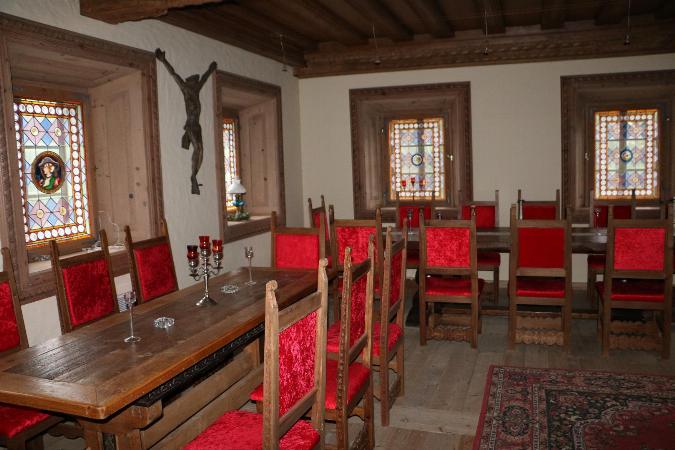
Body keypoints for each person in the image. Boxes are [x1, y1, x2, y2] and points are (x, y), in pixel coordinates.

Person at [155, 48, 217, 195]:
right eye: (195, 81)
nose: (197, 83)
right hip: (190, 125)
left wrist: (210, 70)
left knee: (201, 149)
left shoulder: (196, 91)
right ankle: (193, 176)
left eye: (196, 82)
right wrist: (163, 60)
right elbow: (174, 74)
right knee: (198, 149)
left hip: (197, 126)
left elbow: (204, 78)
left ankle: (194, 174)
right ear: (190, 83)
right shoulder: (186, 90)